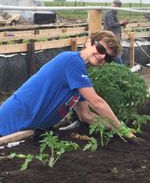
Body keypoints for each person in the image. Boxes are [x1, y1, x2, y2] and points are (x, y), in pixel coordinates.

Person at [0, 30, 134, 138]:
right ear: (88, 42)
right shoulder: (72, 60)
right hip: (11, 122)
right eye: (100, 49)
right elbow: (97, 102)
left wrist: (116, 127)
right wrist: (121, 128)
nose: (102, 56)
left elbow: (85, 115)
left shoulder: (80, 77)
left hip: (28, 130)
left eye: (108, 58)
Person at [103, 0, 128, 64]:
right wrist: (120, 23)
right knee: (115, 52)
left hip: (114, 36)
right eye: (118, 7)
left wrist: (122, 23)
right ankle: (121, 67)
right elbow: (111, 24)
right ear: (116, 5)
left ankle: (118, 66)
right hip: (111, 36)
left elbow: (115, 24)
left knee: (116, 52)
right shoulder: (109, 13)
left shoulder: (113, 13)